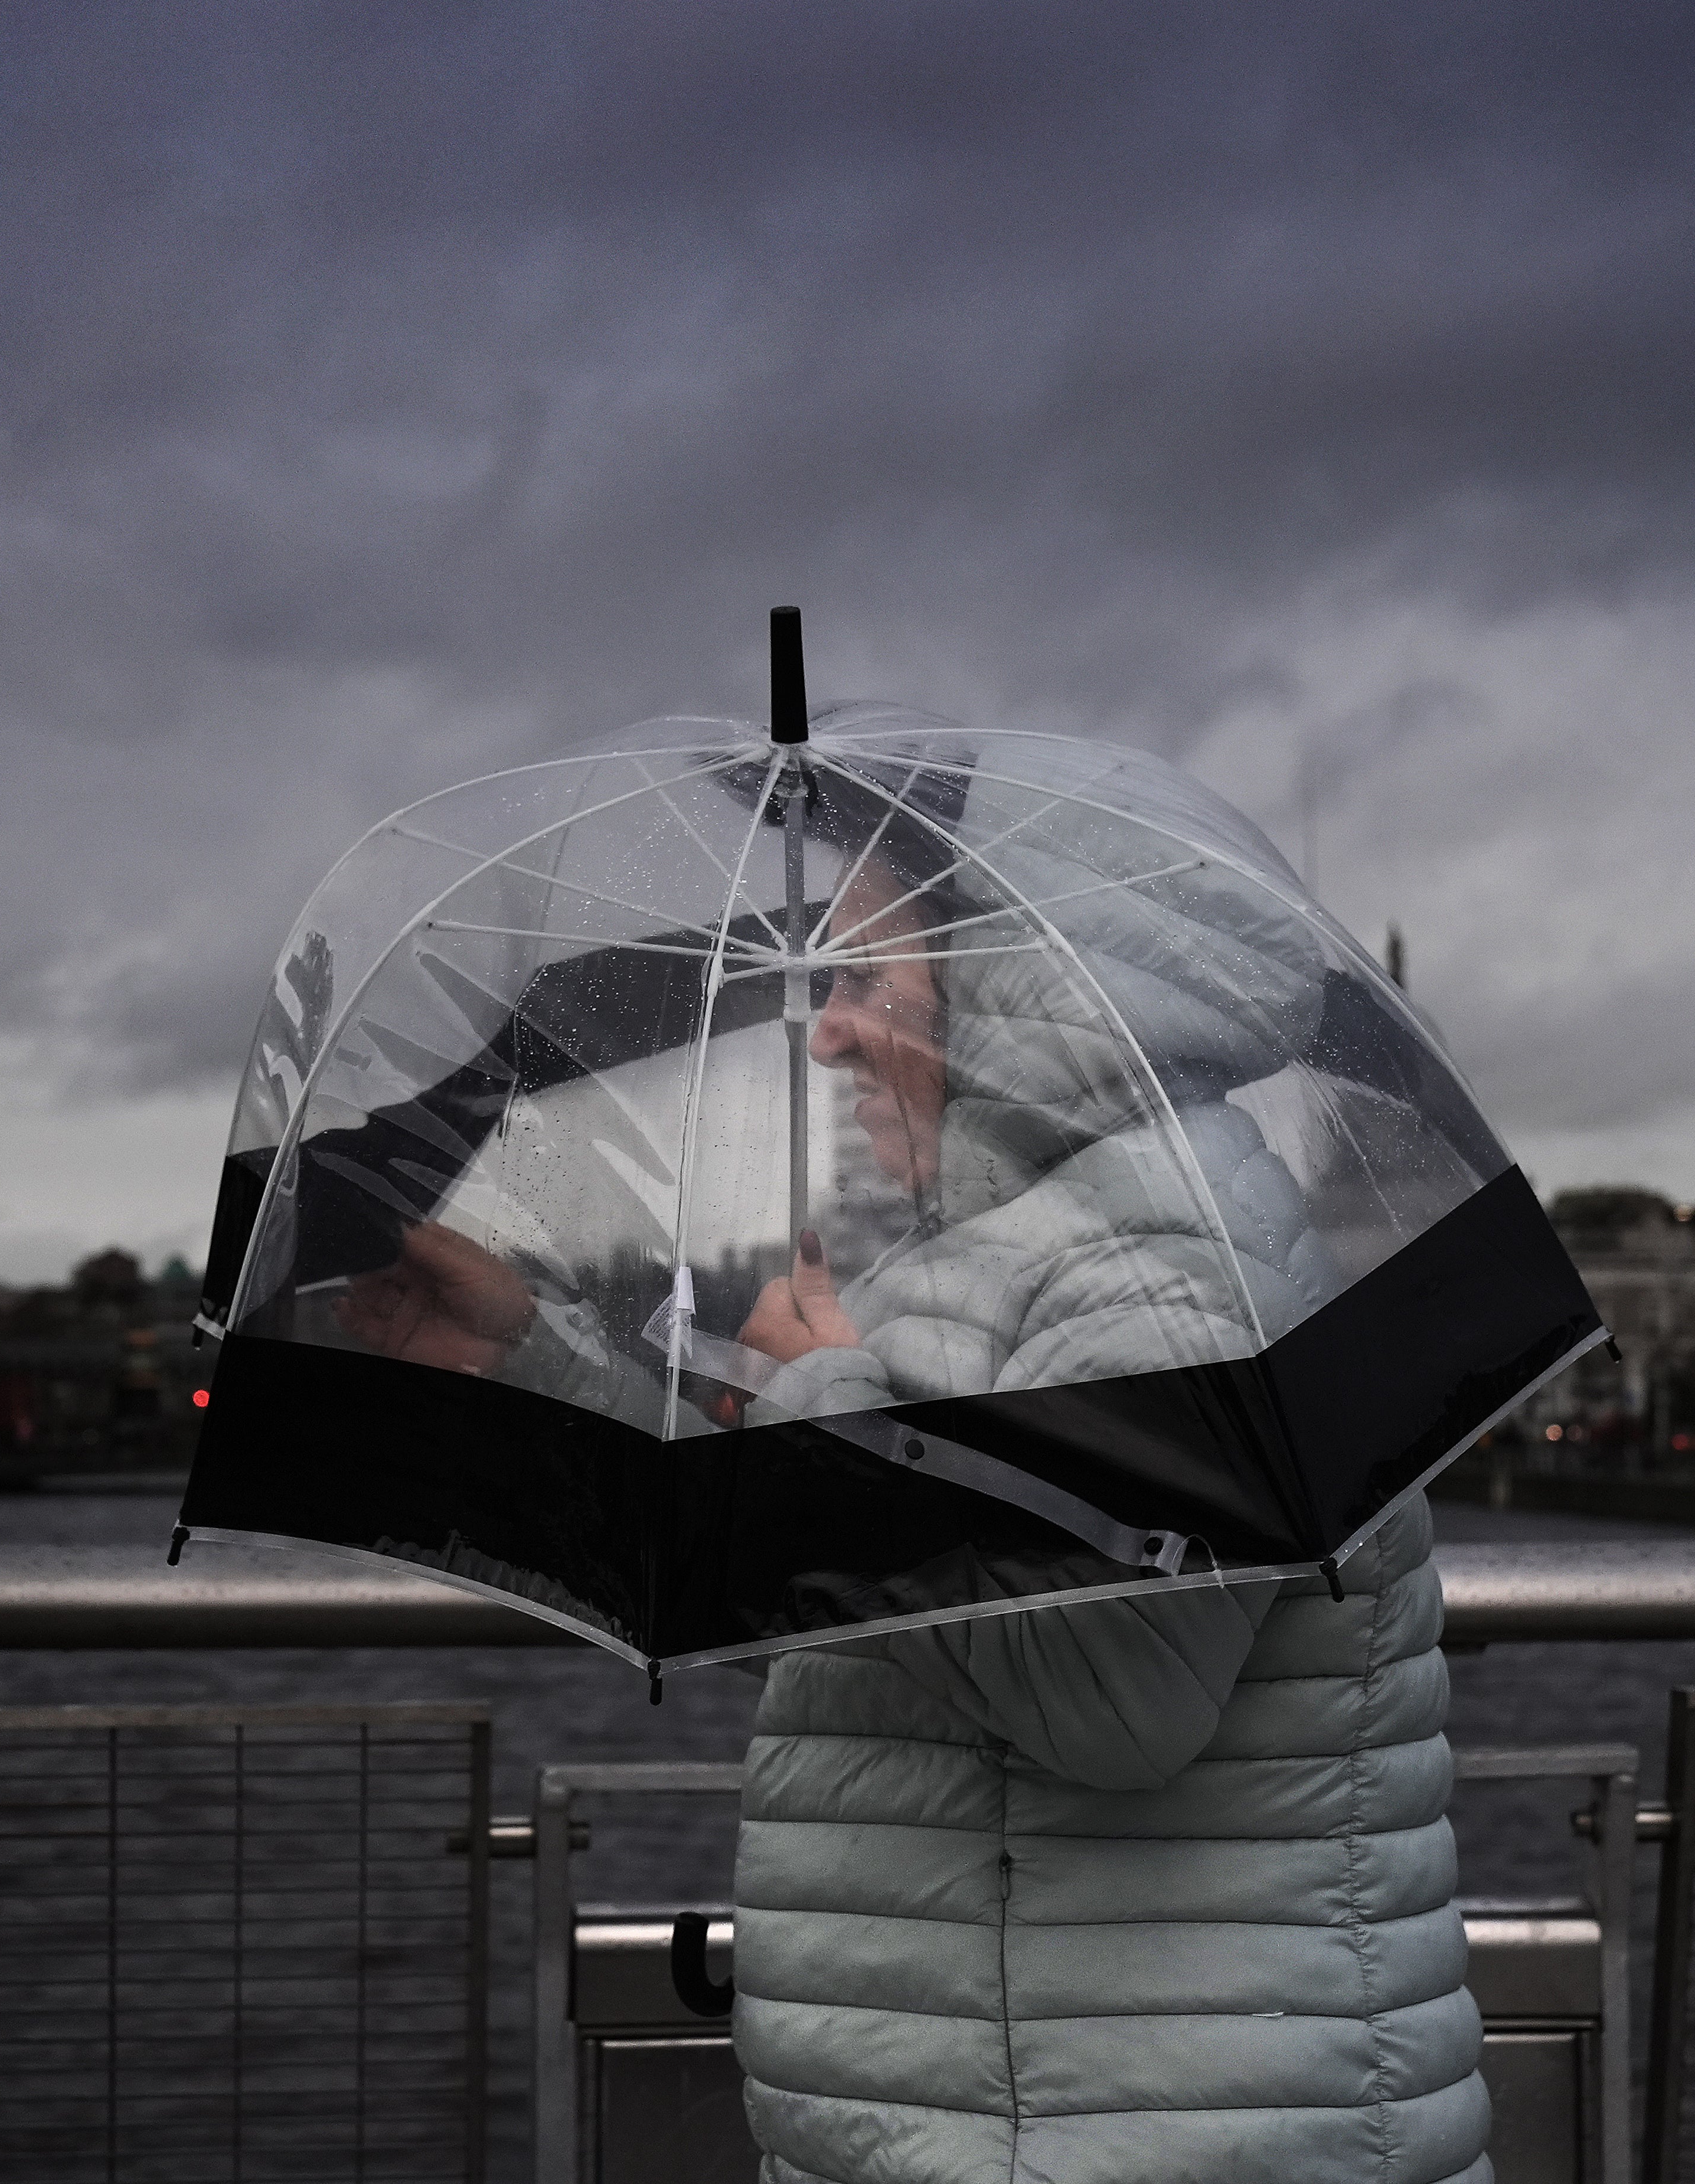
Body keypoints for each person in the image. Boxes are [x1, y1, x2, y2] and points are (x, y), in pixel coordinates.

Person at [340, 831, 1492, 2183]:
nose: (825, 1034)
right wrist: (529, 1361)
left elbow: (1113, 1695)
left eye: (868, 981)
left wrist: (815, 1400)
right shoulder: (996, 1244)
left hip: (1123, 2124)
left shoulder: (1165, 1262)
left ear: (1017, 997)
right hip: (1041, 2101)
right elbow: (869, 1589)